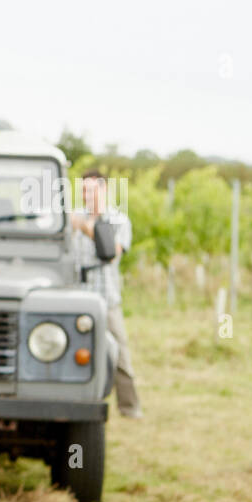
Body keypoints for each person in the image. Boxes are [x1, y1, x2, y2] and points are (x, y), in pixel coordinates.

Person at [73, 169, 143, 418]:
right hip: (77, 298)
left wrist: (86, 229)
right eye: (83, 190)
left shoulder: (119, 220)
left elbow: (111, 253)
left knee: (120, 354)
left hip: (106, 299)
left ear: (104, 191)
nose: (86, 196)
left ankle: (129, 408)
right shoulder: (72, 218)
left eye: (91, 191)